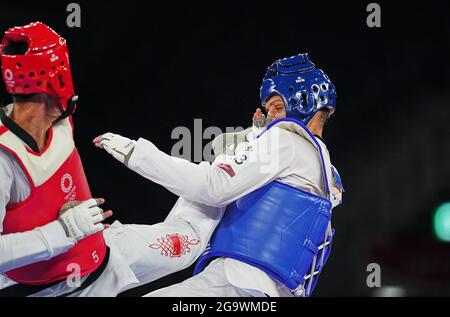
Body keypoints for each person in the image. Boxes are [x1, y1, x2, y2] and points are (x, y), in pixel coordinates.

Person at [0, 22, 224, 297]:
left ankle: (234, 165)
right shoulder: (4, 158)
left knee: (189, 242)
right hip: (54, 290)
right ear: (58, 77)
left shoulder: (60, 121)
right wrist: (62, 230)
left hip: (105, 252)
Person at [96, 53, 344, 297]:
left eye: (277, 107)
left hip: (237, 284)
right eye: (268, 110)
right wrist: (252, 141)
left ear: (303, 102)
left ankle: (99, 256)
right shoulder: (327, 172)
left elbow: (214, 187)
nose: (272, 117)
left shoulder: (286, 139)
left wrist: (139, 155)